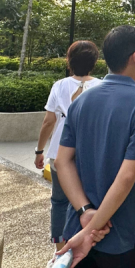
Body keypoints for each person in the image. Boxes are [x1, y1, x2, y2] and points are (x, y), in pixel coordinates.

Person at [55, 25, 135, 268]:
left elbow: (62, 161)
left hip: (77, 229)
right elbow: (126, 178)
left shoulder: (80, 102)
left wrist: (85, 213)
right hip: (123, 234)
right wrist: (92, 231)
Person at [34, 40, 103, 251]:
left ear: (69, 61)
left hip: (59, 154)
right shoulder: (102, 86)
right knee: (90, 202)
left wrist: (39, 151)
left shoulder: (60, 85)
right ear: (94, 62)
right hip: (90, 155)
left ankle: (60, 250)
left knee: (59, 202)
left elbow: (49, 121)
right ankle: (88, 245)